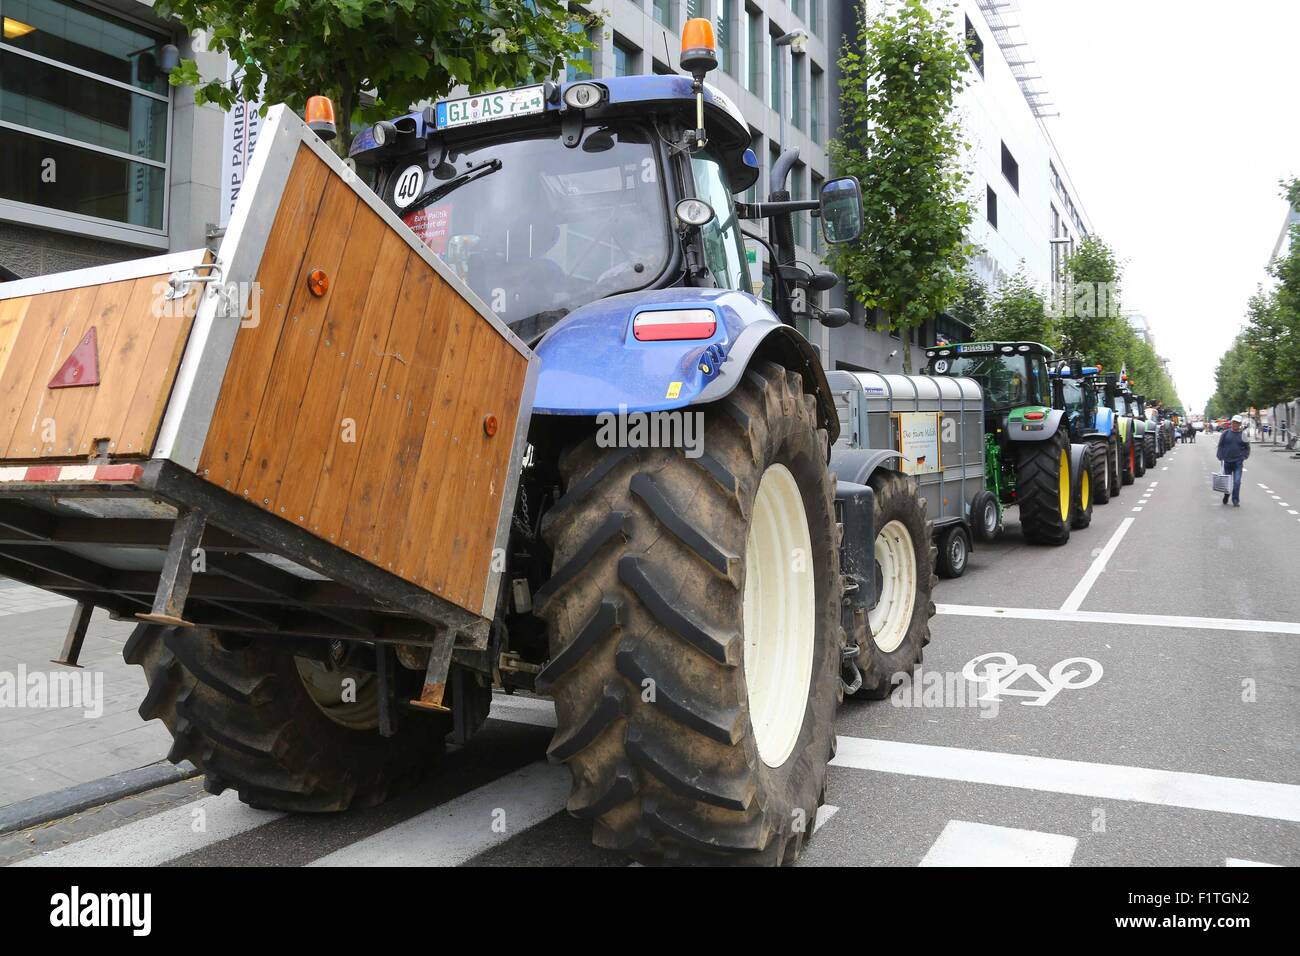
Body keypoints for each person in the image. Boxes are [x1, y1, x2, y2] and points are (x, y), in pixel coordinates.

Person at [1216, 415, 1251, 506]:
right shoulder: (1225, 433)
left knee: (1237, 481)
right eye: (1234, 422)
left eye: (1237, 423)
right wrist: (1220, 455)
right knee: (1227, 482)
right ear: (1231, 423)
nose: (1235, 424)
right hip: (1227, 461)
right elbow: (1220, 445)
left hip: (1238, 462)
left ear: (1240, 424)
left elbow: (1247, 448)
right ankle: (1226, 495)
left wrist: (1244, 456)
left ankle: (1235, 500)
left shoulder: (1243, 435)